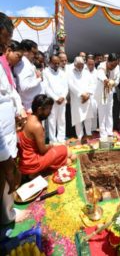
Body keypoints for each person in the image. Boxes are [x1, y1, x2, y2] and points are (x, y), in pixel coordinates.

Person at [0, 12, 29, 225]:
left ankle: (7, 214)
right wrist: (5, 158)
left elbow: (10, 91)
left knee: (6, 181)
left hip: (7, 136)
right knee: (5, 176)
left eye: (7, 43)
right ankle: (6, 218)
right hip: (1, 142)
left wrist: (18, 110)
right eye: (2, 43)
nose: (4, 49)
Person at [18, 95, 74, 176]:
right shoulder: (36, 125)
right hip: (33, 163)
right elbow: (43, 150)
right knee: (65, 150)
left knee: (68, 158)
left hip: (26, 162)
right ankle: (37, 172)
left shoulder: (29, 117)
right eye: (49, 109)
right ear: (40, 110)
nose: (50, 112)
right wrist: (53, 145)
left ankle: (43, 170)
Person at [43, 55, 68, 143]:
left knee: (62, 120)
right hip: (52, 101)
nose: (57, 65)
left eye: (58, 63)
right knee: (52, 121)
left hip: (62, 100)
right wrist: (56, 98)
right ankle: (53, 140)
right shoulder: (46, 72)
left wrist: (63, 97)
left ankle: (61, 139)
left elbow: (66, 87)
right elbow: (46, 88)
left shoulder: (62, 72)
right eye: (55, 63)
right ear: (50, 62)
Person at [13, 39, 43, 113]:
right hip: (30, 107)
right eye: (34, 53)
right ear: (25, 51)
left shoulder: (28, 63)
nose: (36, 56)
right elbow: (24, 87)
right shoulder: (23, 64)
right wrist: (39, 79)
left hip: (34, 106)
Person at [68, 57, 93, 142]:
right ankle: (80, 137)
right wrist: (81, 94)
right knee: (78, 119)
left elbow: (92, 84)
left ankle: (88, 134)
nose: (80, 68)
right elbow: (71, 85)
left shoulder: (86, 72)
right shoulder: (70, 73)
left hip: (87, 98)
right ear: (74, 65)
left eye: (82, 66)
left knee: (88, 117)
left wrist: (88, 94)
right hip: (77, 99)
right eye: (78, 66)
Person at [95, 53, 120, 138]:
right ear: (108, 61)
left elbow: (117, 80)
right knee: (102, 114)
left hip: (110, 92)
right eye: (112, 65)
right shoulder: (101, 66)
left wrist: (113, 83)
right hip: (101, 92)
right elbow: (100, 74)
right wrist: (106, 80)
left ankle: (109, 132)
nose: (113, 67)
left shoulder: (116, 67)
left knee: (109, 113)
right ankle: (103, 133)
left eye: (115, 65)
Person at [85, 55, 98, 132]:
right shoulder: (83, 72)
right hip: (86, 96)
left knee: (94, 113)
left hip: (95, 96)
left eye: (92, 64)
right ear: (86, 63)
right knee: (87, 115)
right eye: (89, 64)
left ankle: (93, 129)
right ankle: (87, 130)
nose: (91, 66)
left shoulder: (97, 72)